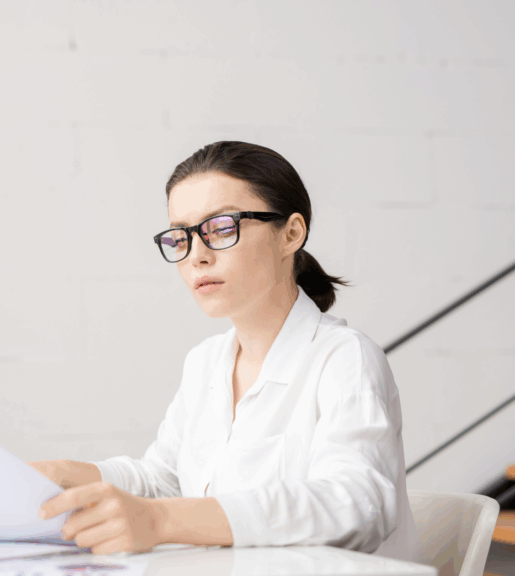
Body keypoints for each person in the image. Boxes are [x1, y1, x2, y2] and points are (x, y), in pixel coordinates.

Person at [29, 141, 419, 561]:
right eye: (182, 236)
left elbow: (357, 505)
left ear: (291, 233)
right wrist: (74, 477)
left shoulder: (344, 358)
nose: (197, 255)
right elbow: (166, 480)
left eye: (220, 228)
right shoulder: (205, 362)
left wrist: (161, 522)